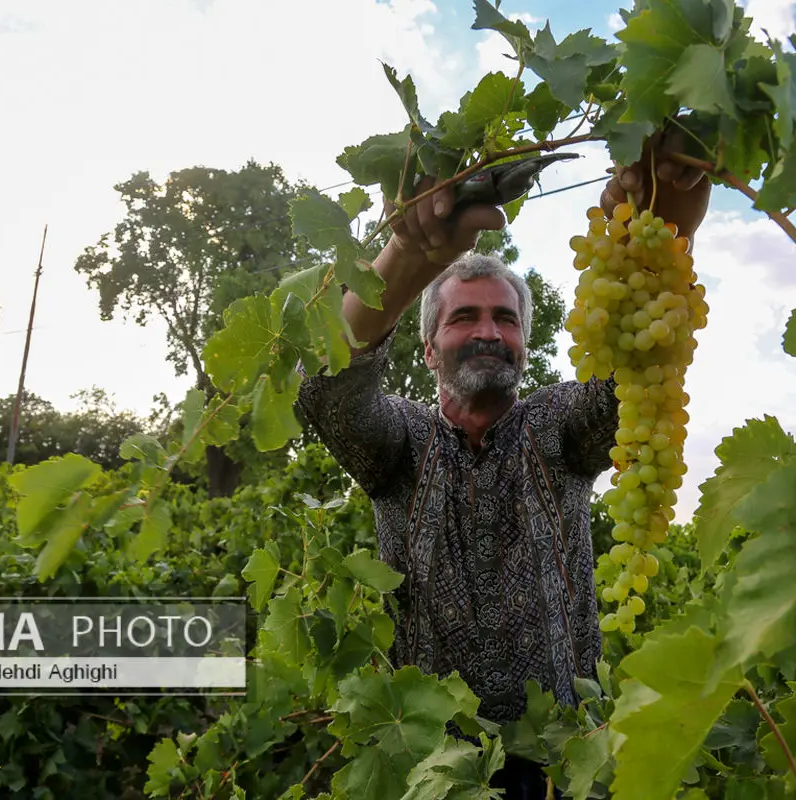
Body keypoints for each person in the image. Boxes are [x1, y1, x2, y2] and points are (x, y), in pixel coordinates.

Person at [294, 129, 710, 798]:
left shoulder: (556, 428)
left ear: (523, 342)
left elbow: (633, 376)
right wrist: (406, 259)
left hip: (561, 765)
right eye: (463, 318)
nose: (488, 331)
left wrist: (670, 223)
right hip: (437, 770)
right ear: (428, 349)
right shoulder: (398, 444)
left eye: (505, 319)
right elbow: (325, 389)